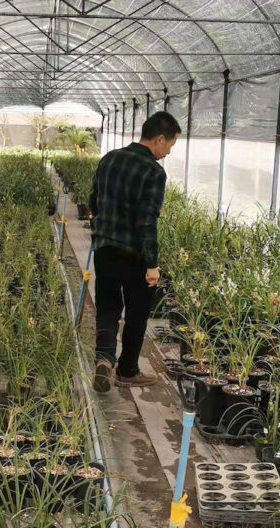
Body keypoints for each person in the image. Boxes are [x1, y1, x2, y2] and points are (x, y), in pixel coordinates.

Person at [88, 111, 181, 392]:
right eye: (169, 146)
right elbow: (146, 221)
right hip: (135, 254)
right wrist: (152, 264)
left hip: (105, 248)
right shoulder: (153, 171)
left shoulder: (110, 159)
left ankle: (104, 359)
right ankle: (127, 369)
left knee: (108, 307)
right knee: (137, 312)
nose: (166, 153)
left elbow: (94, 201)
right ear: (159, 138)